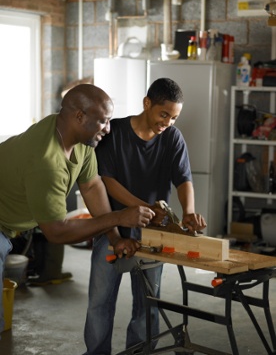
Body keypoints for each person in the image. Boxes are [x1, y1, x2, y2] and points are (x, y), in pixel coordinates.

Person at [0, 84, 155, 334]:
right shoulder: (47, 162)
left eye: (110, 121)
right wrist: (120, 217)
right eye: (103, 122)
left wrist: (115, 238)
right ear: (79, 117)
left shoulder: (80, 140)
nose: (108, 129)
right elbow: (57, 232)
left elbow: (92, 187)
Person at [83, 78, 207, 354]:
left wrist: (188, 213)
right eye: (164, 114)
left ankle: (140, 352)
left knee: (148, 305)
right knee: (100, 302)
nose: (168, 122)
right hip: (112, 229)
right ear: (147, 103)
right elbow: (107, 181)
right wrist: (143, 208)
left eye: (174, 117)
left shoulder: (172, 138)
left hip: (152, 236)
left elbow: (183, 179)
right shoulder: (114, 132)